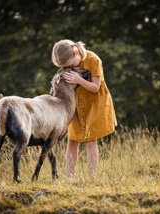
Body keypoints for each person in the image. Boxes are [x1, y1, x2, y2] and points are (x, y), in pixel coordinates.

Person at [51, 39, 117, 178]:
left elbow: (95, 87)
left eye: (71, 64)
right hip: (75, 104)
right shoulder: (68, 61)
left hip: (93, 103)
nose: (69, 67)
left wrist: (79, 80)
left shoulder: (94, 60)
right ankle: (69, 178)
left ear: (76, 52)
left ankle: (90, 177)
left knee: (90, 140)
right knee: (72, 140)